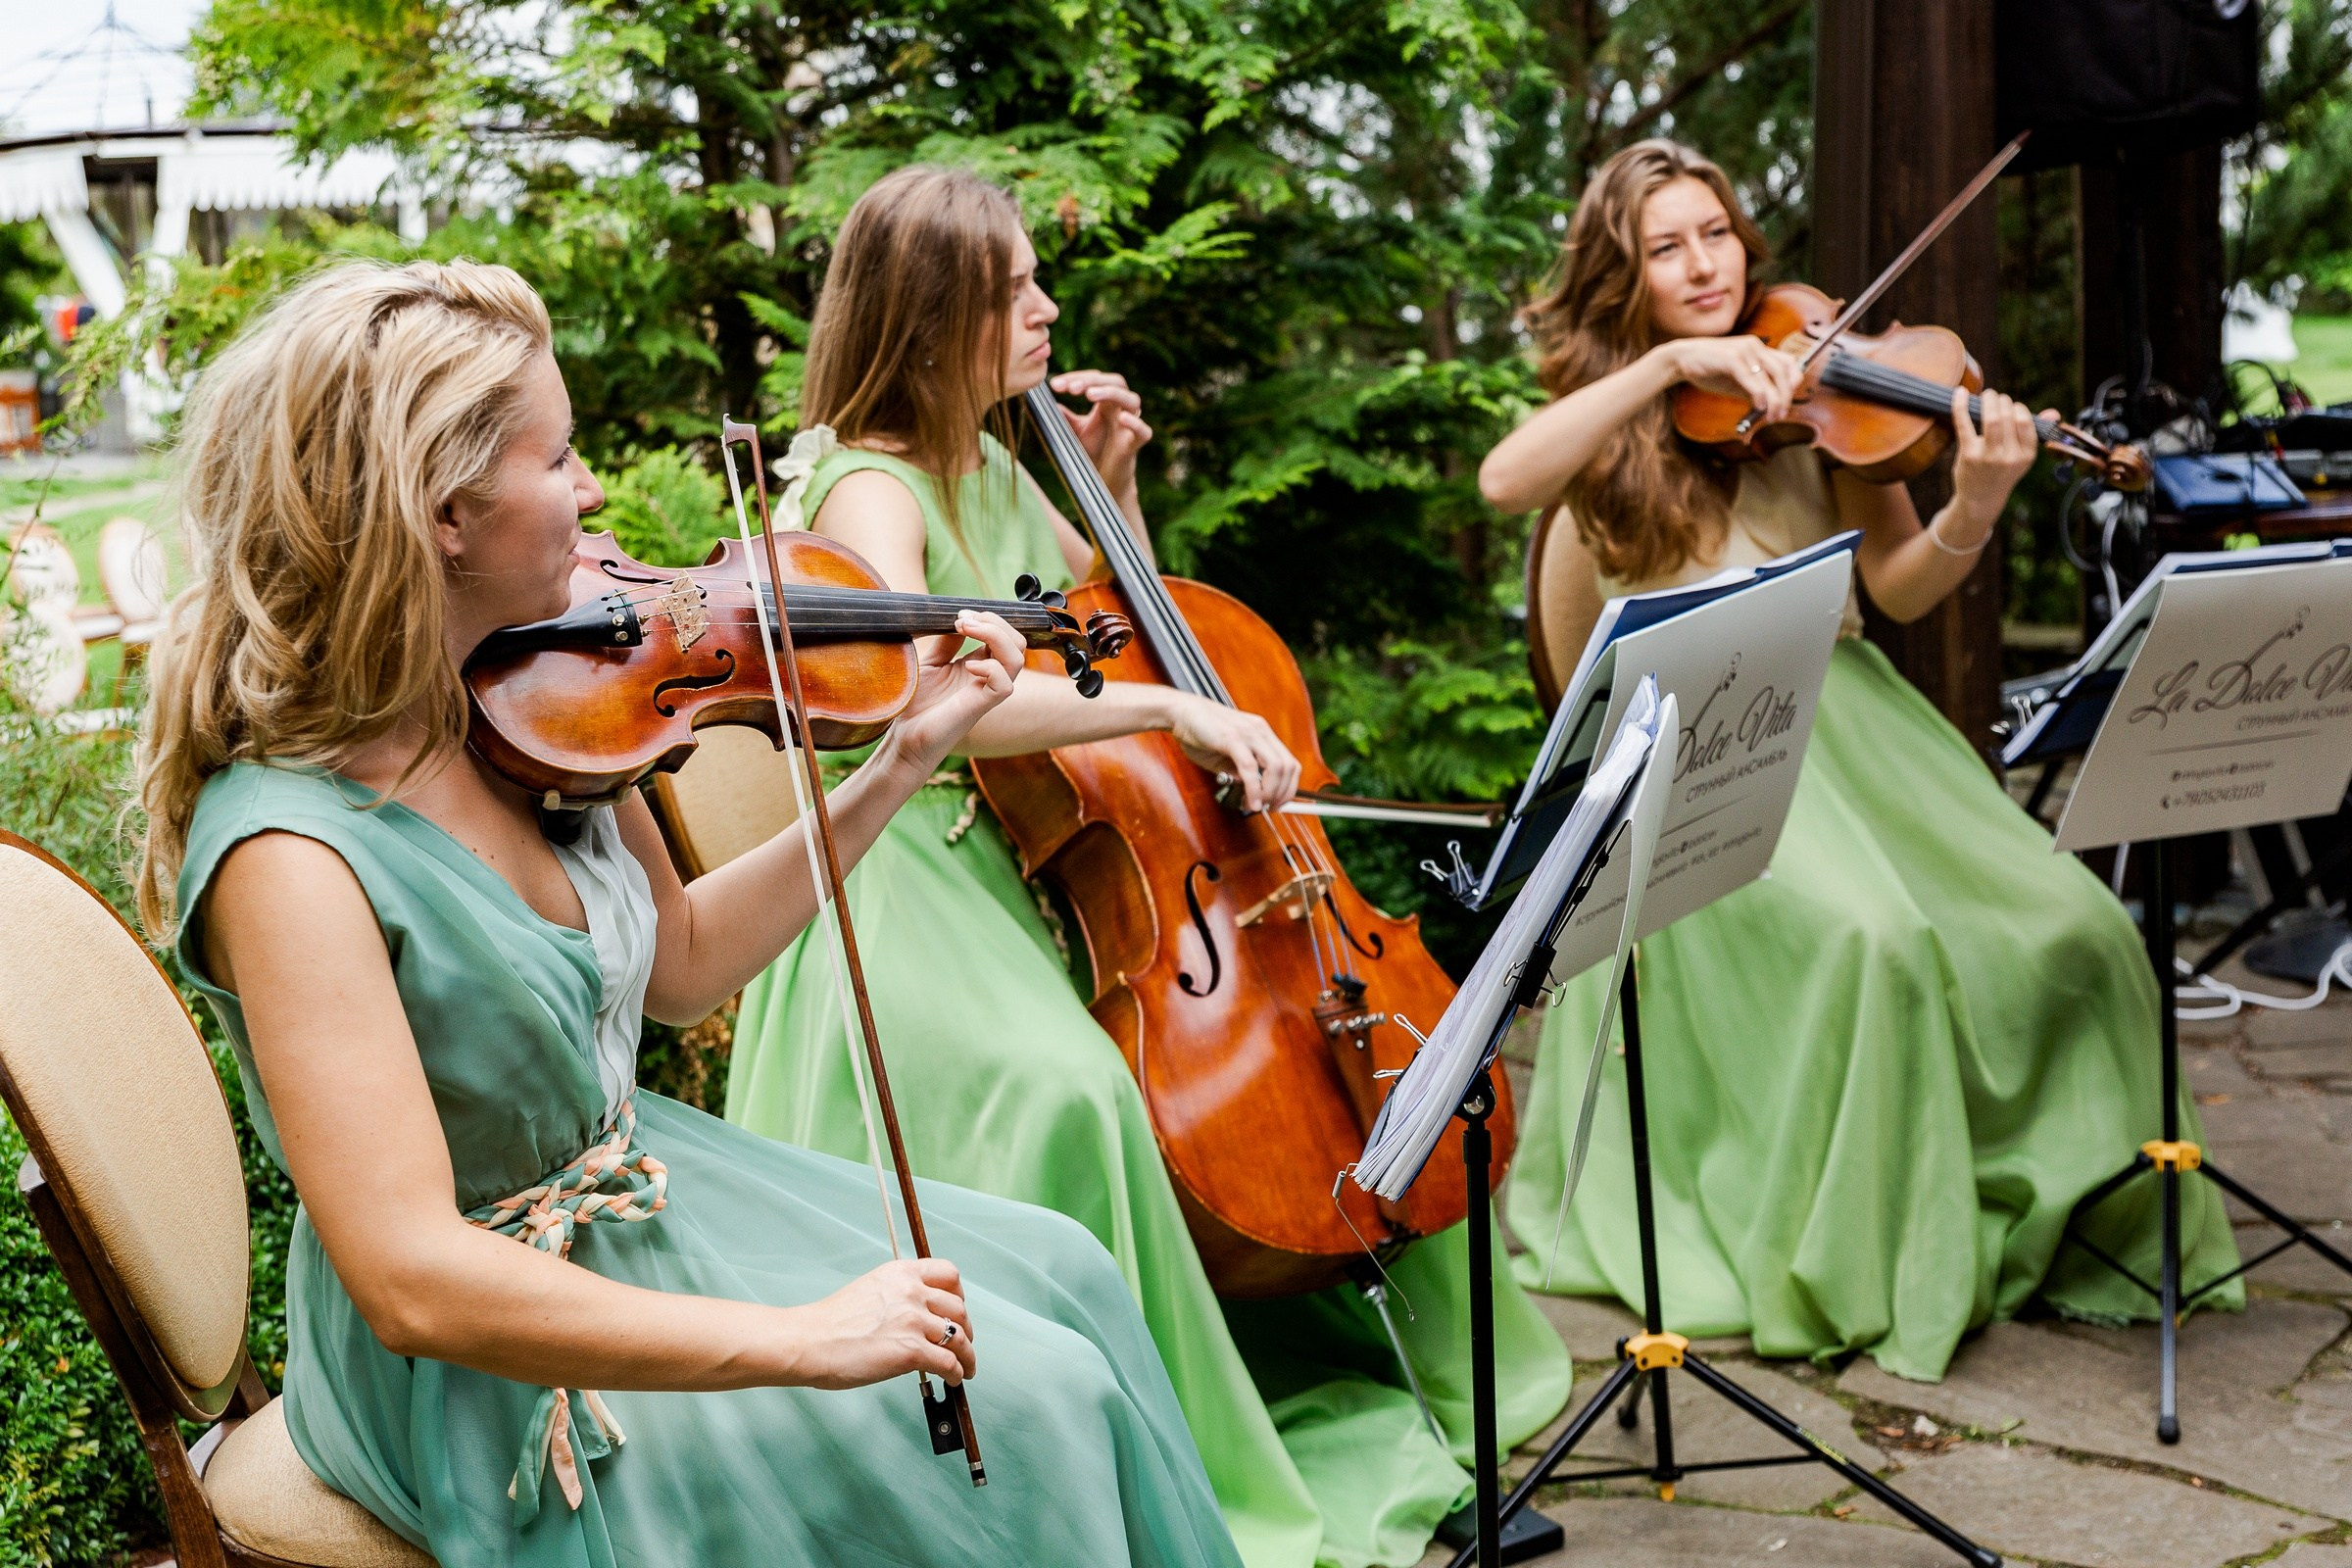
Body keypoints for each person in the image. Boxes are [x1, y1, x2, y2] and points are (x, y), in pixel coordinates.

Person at [135, 257, 1244, 1567]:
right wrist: (809, 1341)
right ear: (441, 510)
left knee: (1064, 1272)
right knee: (1033, 1401)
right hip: (488, 1340)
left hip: (646, 1187)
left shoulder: (523, 716)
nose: (597, 495)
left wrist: (899, 762)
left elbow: (686, 967)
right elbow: (412, 1279)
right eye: (561, 459)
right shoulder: (290, 853)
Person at [724, 165, 1571, 1568]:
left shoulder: (990, 459)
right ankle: (1162, 1449)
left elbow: (1112, 627)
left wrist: (1111, 494)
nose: (1049, 310)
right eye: (1014, 292)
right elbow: (943, 690)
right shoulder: (872, 487)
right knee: (1082, 1094)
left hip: (1019, 872)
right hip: (907, 884)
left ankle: (1313, 1370)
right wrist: (1173, 710)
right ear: (932, 322)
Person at [1480, 139, 2238, 1383]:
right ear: (1624, 272)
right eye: (1665, 247)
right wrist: (1672, 363)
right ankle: (1878, 1256)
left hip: (1853, 720)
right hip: (1701, 745)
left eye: (1715, 232)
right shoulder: (1618, 417)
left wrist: (1975, 506)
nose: (1704, 264)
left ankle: (2056, 1207)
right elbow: (1506, 478)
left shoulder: (1820, 390)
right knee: (1875, 946)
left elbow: (1894, 583)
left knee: (2080, 928)